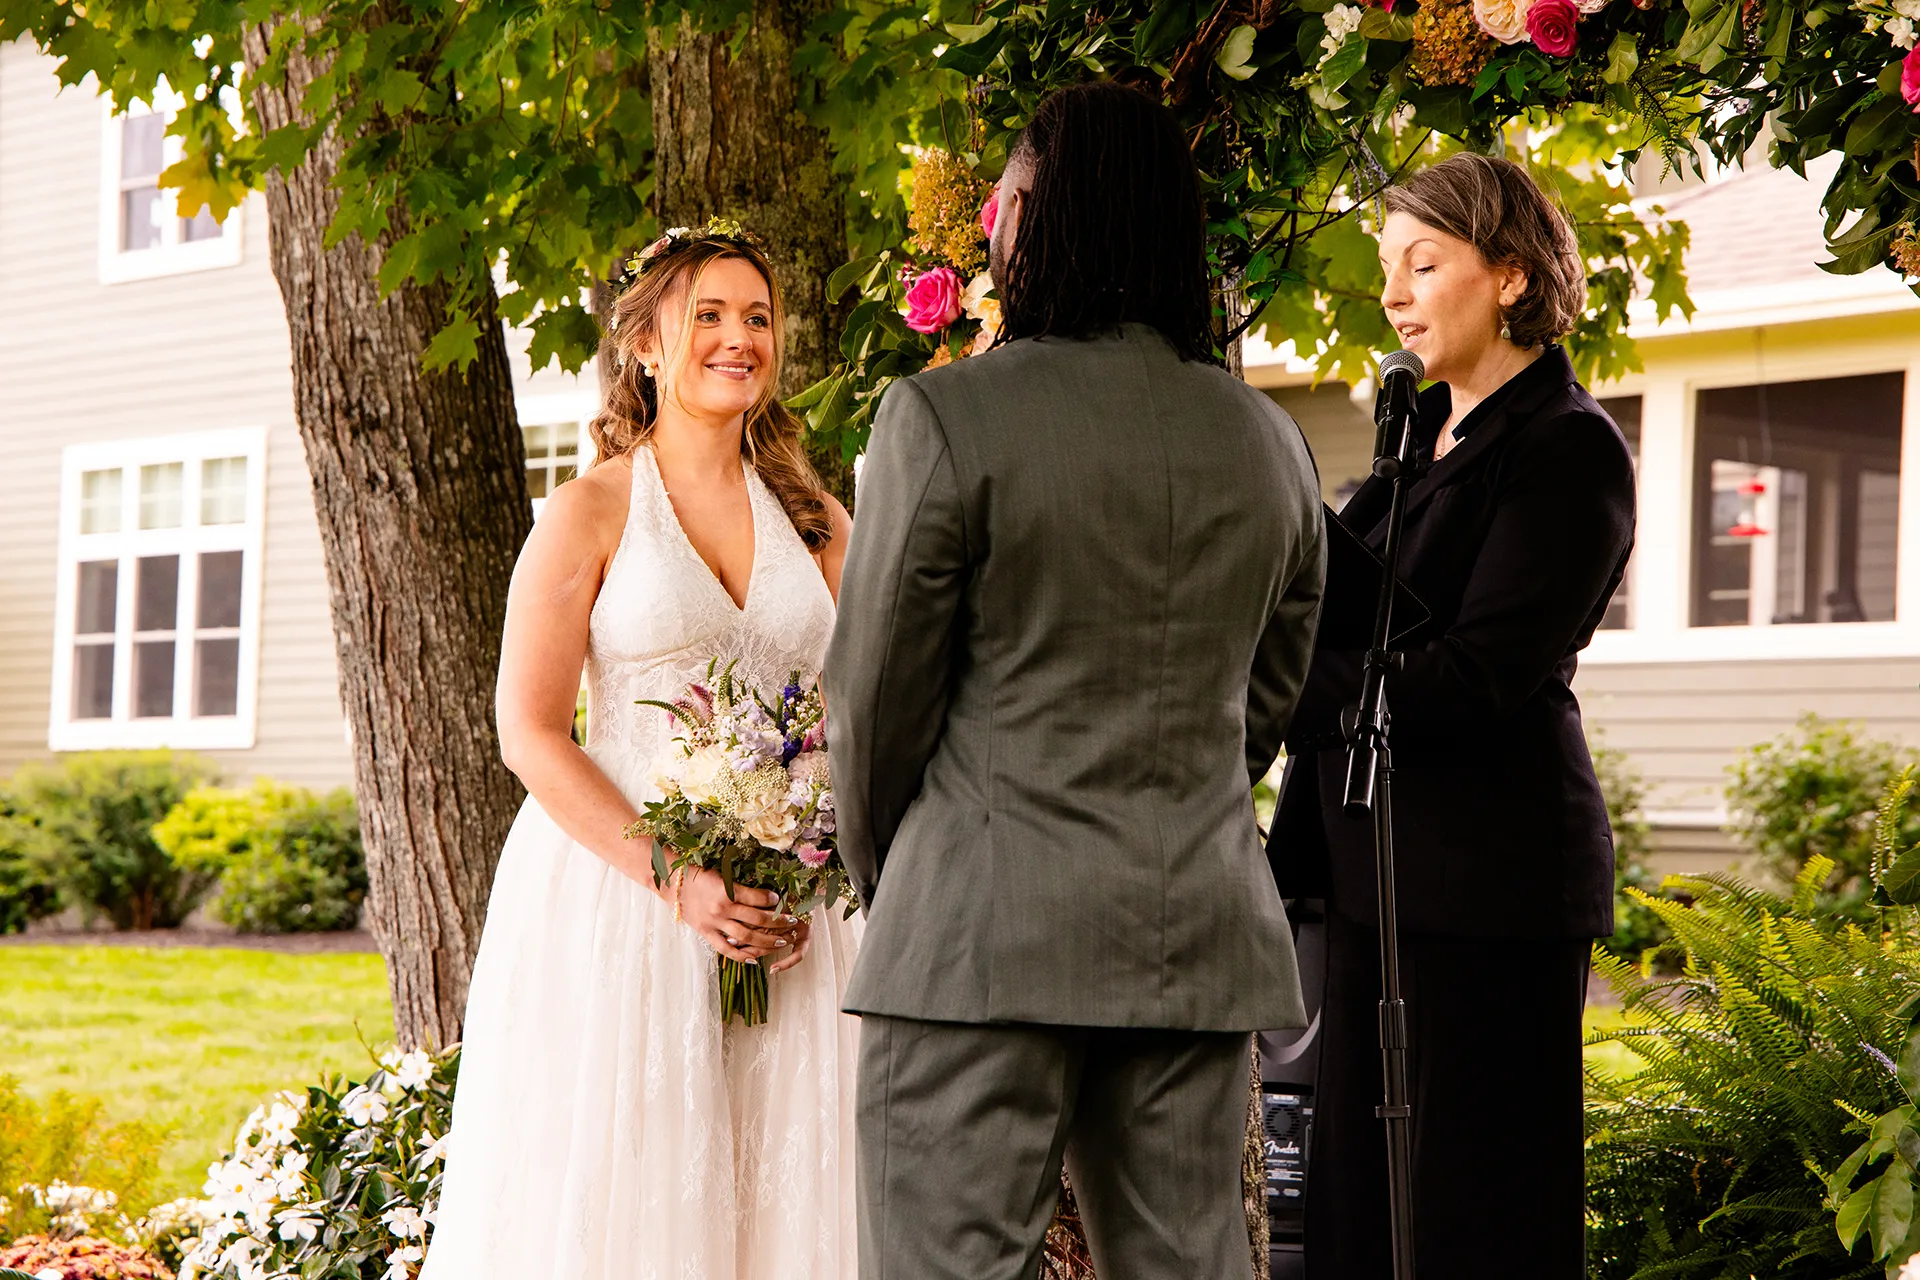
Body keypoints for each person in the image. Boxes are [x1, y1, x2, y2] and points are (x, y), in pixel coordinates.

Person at [824, 81, 1326, 1280]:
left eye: (1003, 192)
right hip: (1187, 935)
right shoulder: (1269, 442)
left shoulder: (944, 416)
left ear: (1042, 214)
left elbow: (876, 697)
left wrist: (904, 875)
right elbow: (1270, 690)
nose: (989, 219)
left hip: (975, 935)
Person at [419, 225, 861, 1280]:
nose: (738, 337)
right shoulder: (588, 511)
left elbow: (861, 710)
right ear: (647, 345)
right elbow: (527, 729)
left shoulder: (820, 520)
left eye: (757, 317)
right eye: (707, 313)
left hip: (788, 919)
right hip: (621, 904)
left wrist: (810, 846)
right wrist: (681, 878)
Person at [1269, 153, 1636, 1278]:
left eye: (1423, 263)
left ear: (1513, 276)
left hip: (1487, 889)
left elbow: (1477, 675)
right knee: (1357, 1219)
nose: (1393, 295)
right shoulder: (1405, 450)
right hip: (1368, 875)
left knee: (1471, 1213)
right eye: (1390, 267)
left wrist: (1285, 676)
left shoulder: (1567, 448)